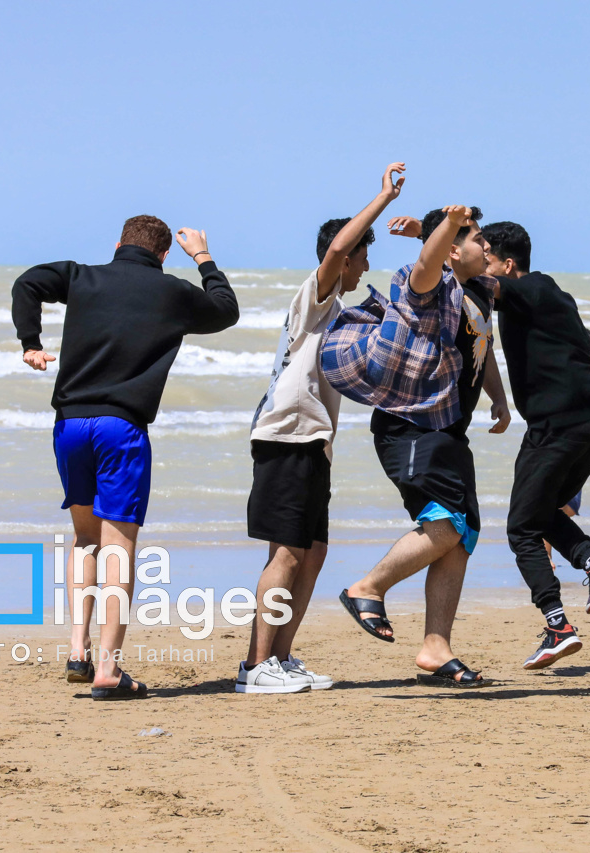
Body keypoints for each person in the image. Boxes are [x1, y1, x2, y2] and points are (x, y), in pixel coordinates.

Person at [11, 216, 239, 699]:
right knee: (120, 545)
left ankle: (78, 649)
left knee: (84, 539)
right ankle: (109, 670)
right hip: (121, 428)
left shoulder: (82, 276)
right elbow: (225, 309)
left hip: (70, 425)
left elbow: (27, 282)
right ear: (163, 256)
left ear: (117, 245)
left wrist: (30, 342)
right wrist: (203, 256)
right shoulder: (172, 292)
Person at [236, 163, 407, 694]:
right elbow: (335, 252)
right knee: (285, 552)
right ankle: (256, 667)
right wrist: (380, 199)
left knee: (311, 552)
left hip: (313, 443)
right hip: (284, 435)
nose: (364, 264)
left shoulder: (342, 315)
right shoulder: (315, 299)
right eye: (364, 254)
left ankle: (279, 659)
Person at [323, 205, 510, 687]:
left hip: (448, 429)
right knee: (446, 524)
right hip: (410, 427)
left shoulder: (478, 292)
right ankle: (368, 587)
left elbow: (482, 347)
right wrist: (443, 227)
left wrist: (499, 398)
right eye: (477, 240)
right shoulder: (426, 285)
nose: (487, 248)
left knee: (463, 534)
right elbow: (429, 264)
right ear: (452, 247)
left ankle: (435, 647)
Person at [481, 221, 590, 669]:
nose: (477, 263)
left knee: (521, 528)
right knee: (541, 514)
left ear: (508, 265)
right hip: (586, 424)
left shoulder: (531, 288)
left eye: (485, 256)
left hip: (555, 427)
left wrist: (433, 241)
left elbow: (474, 281)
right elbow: (588, 357)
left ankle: (558, 625)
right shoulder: (556, 297)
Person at [543, 330, 590, 568]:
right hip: (564, 444)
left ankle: (551, 551)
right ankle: (548, 555)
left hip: (580, 444)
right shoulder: (568, 369)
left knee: (565, 506)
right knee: (554, 506)